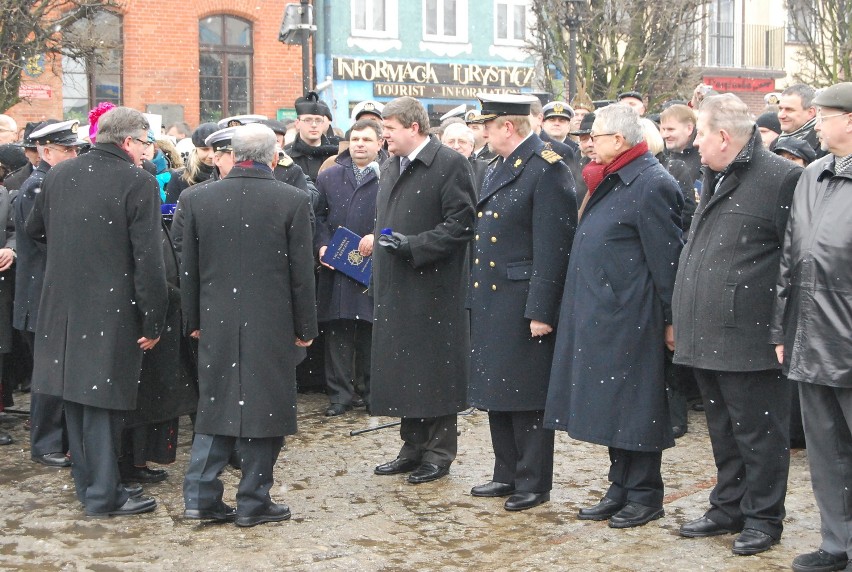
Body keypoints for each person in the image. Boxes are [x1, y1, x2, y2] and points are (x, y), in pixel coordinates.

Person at [672, 94, 802, 556]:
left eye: (701, 133)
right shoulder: (715, 173)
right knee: (724, 429)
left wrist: (779, 330)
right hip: (708, 331)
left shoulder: (783, 179)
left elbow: (795, 262)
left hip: (749, 335)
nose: (695, 142)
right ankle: (729, 506)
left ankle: (765, 517)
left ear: (723, 137)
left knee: (760, 433)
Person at [544, 103, 684, 529]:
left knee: (637, 406)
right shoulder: (611, 178)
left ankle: (645, 493)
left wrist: (670, 318)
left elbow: (667, 259)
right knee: (611, 404)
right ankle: (620, 486)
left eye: (596, 136)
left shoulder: (651, 183)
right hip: (605, 312)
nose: (588, 142)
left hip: (633, 315)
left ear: (619, 141)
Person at [26, 107, 168, 517]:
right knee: (103, 403)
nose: (146, 151)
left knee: (77, 400)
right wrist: (153, 318)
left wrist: (75, 257)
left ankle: (90, 487)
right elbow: (148, 259)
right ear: (127, 142)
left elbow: (37, 230)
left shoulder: (59, 174)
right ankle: (104, 494)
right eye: (144, 143)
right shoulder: (137, 181)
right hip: (112, 307)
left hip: (63, 307)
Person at [181, 123, 317, 526]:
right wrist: (305, 326)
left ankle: (201, 496)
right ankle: (253, 500)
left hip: (216, 317)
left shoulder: (196, 198)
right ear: (273, 157)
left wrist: (194, 320)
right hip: (271, 320)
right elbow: (301, 273)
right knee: (266, 408)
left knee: (215, 402)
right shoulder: (291, 199)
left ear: (233, 154)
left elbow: (187, 269)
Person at [466, 93, 577, 512]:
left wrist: (542, 310)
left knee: (527, 395)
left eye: (488, 126)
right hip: (494, 295)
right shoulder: (499, 166)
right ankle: (505, 472)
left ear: (507, 127)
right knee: (497, 389)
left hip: (523, 300)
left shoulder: (546, 169)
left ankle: (533, 481)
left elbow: (554, 247)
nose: (484, 133)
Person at [368, 96, 475, 484]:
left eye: (390, 130)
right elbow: (386, 221)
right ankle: (411, 446)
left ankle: (439, 452)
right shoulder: (392, 164)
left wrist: (415, 246)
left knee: (435, 372)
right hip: (396, 285)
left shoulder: (450, 164)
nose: (384, 137)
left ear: (414, 128)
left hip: (434, 289)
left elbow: (461, 224)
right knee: (403, 371)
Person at [772, 82, 852, 572]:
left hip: (846, 334)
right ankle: (836, 542)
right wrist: (783, 330)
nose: (815, 124)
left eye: (824, 116)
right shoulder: (815, 176)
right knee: (825, 451)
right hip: (811, 333)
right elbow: (791, 257)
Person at [14, 120, 88, 467]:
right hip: (39, 293)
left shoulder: (53, 182)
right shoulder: (38, 186)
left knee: (56, 372)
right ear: (45, 151)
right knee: (48, 375)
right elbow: (46, 239)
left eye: (75, 149)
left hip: (48, 292)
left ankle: (55, 439)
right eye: (66, 149)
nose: (74, 154)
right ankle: (45, 444)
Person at [314, 119, 382, 417]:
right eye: (355, 139)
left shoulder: (391, 176)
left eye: (367, 139)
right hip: (338, 267)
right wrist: (322, 245)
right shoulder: (329, 177)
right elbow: (317, 218)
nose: (360, 144)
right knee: (338, 332)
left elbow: (401, 219)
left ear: (380, 143)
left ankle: (372, 394)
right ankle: (339, 395)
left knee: (370, 332)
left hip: (373, 268)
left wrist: (379, 235)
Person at [285, 91, 339, 182]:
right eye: (308, 120)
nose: (314, 125)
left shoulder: (336, 154)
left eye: (318, 120)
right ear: (297, 124)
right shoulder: (287, 156)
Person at [164, 122, 218, 204]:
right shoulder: (180, 177)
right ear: (196, 149)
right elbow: (172, 213)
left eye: (215, 149)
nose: (211, 155)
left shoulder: (230, 174)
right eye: (205, 149)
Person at [776, 83, 825, 158]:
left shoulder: (825, 146)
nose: (781, 115)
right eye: (780, 109)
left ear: (810, 113)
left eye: (789, 110)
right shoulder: (775, 143)